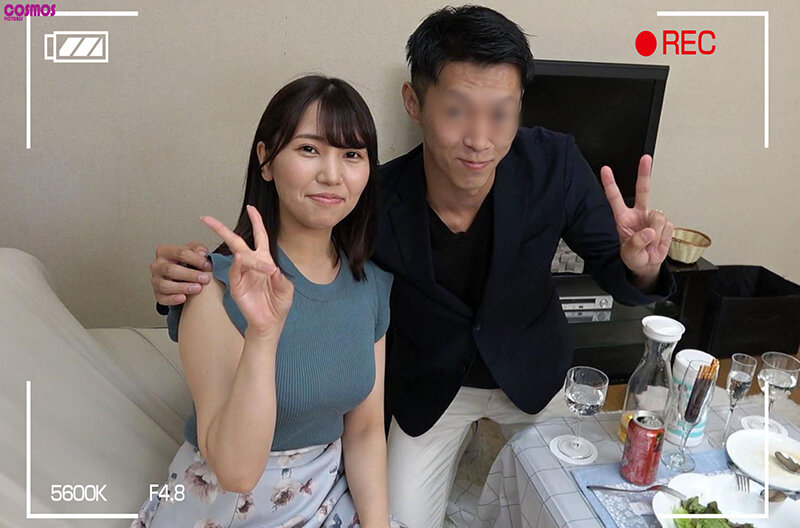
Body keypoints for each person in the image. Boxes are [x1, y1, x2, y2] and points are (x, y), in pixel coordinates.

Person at [149, 6, 676, 527]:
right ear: (414, 102)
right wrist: (187, 279)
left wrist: (642, 265)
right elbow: (283, 256)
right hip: (432, 388)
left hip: (533, 367)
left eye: (500, 113)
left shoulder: (553, 164)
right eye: (457, 110)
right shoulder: (370, 200)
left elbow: (620, 274)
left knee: (579, 505)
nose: (480, 139)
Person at [133, 75, 405, 528]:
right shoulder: (213, 288)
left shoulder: (370, 286)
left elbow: (363, 433)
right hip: (226, 508)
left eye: (352, 155)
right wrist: (263, 333)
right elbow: (235, 472)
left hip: (324, 498)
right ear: (266, 160)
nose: (332, 174)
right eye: (309, 149)